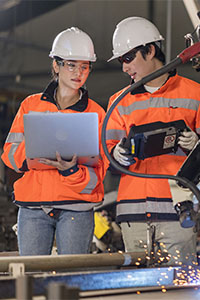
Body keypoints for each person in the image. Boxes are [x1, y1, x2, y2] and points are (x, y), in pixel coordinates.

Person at [105, 17, 200, 265]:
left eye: (128, 58)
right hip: (132, 215)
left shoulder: (194, 94)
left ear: (150, 50)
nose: (125, 68)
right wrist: (116, 155)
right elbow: (106, 153)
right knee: (138, 288)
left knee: (179, 286)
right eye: (121, 61)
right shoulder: (119, 101)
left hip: (177, 211)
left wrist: (197, 145)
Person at [1, 27, 107, 255]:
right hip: (32, 208)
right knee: (30, 280)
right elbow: (9, 153)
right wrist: (34, 155)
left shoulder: (97, 114)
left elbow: (100, 172)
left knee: (72, 279)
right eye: (71, 64)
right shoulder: (30, 105)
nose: (79, 72)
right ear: (56, 66)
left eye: (84, 66)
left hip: (76, 209)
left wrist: (71, 172)